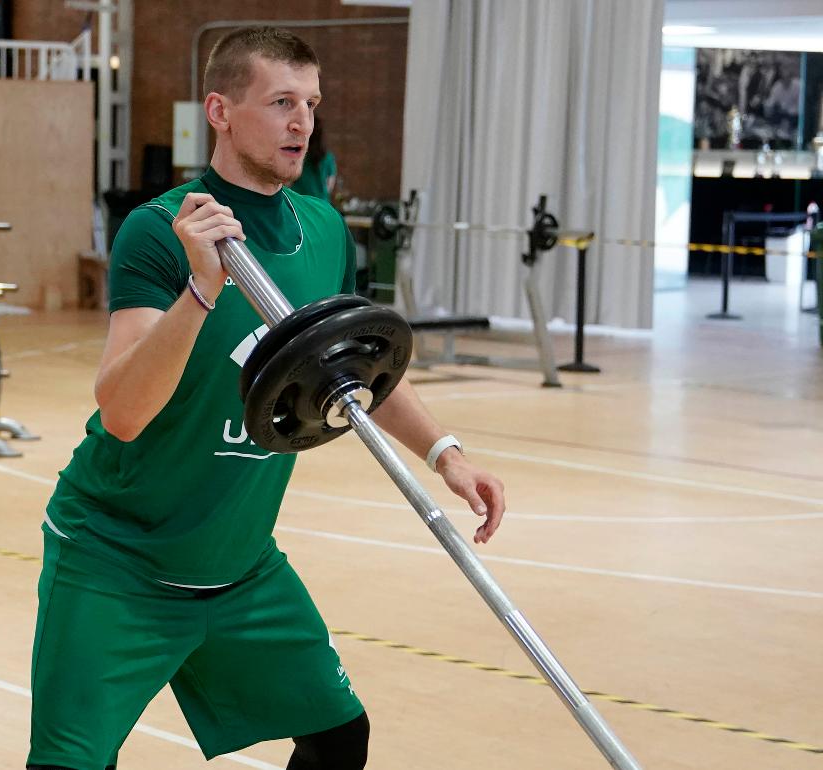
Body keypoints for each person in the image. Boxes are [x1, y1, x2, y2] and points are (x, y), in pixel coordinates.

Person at [27, 26, 506, 770]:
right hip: (117, 561)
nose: (302, 123)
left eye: (311, 103)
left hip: (240, 564)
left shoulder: (322, 230)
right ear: (219, 110)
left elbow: (358, 373)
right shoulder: (162, 231)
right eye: (281, 102)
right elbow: (122, 412)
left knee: (338, 735)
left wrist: (446, 454)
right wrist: (200, 288)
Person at [289, 113, 337, 202]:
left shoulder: (296, 153)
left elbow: (288, 180)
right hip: (321, 203)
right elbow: (329, 185)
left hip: (298, 201)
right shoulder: (328, 157)